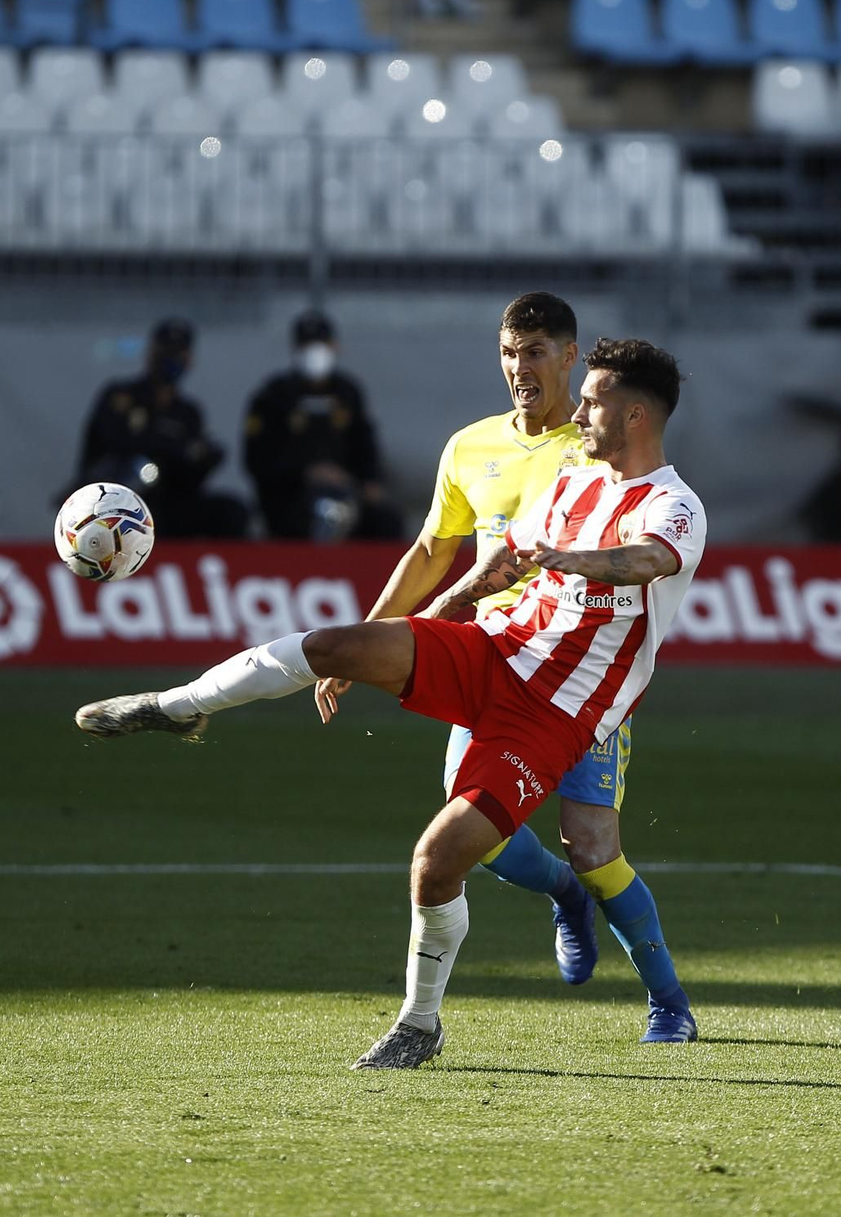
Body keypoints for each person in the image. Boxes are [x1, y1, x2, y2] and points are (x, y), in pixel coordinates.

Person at [75, 338, 706, 1071]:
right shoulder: (574, 482)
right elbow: (500, 565)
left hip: (556, 716)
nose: (580, 412)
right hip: (492, 653)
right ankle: (181, 703)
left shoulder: (672, 503)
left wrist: (575, 561)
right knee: (338, 645)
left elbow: (648, 559)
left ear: (634, 415)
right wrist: (435, 615)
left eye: (592, 401)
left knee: (445, 860)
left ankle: (426, 1022)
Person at [314, 291, 697, 1048]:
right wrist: (373, 638)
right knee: (475, 833)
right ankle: (561, 893)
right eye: (508, 352)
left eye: (535, 354)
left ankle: (669, 1001)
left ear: (568, 358)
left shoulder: (594, 449)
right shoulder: (471, 447)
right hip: (491, 660)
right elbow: (433, 551)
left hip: (580, 678)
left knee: (594, 846)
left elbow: (649, 544)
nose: (520, 369)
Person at [75, 318, 250, 539]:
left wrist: (205, 458)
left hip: (170, 500)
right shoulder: (121, 397)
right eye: (167, 350)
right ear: (152, 352)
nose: (172, 358)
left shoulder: (187, 412)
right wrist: (172, 447)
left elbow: (191, 464)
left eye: (179, 352)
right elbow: (116, 441)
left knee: (231, 512)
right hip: (120, 499)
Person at [242, 310, 402, 542]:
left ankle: (382, 577)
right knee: (320, 513)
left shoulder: (347, 392)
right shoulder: (273, 396)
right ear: (296, 349)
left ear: (334, 346)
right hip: (292, 495)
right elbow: (257, 458)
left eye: (321, 343)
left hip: (347, 491)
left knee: (386, 520)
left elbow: (365, 444)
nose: (315, 351)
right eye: (307, 344)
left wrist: (369, 481)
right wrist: (306, 473)